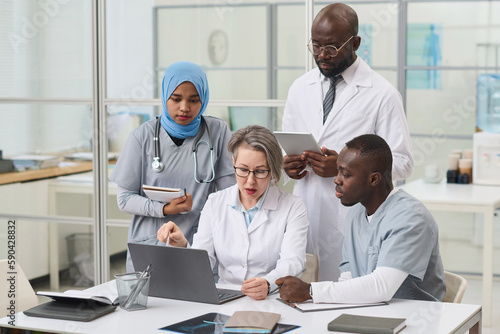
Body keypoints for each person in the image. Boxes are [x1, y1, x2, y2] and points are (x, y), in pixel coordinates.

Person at [281, 3, 414, 281]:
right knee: (300, 298)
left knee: (345, 303)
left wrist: (342, 167)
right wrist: (288, 165)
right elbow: (286, 147)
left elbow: (402, 163)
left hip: (351, 221)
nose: (321, 56)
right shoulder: (299, 88)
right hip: (302, 215)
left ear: (355, 43)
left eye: (331, 48)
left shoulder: (382, 94)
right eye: (315, 46)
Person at [276, 134, 445, 304]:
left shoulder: (411, 218)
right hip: (370, 314)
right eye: (338, 170)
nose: (336, 180)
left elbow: (382, 287)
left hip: (414, 320)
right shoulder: (356, 213)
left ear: (373, 179)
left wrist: (311, 291)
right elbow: (349, 277)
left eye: (346, 174)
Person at [157, 125, 309, 300]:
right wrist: (183, 246)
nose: (250, 181)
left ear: (273, 169)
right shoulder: (215, 202)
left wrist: (268, 283)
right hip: (225, 297)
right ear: (234, 162)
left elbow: (293, 261)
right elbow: (203, 263)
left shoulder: (293, 206)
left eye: (260, 171)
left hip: (272, 298)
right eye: (243, 170)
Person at [110, 61, 235, 272]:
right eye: (176, 99)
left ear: (203, 99)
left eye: (194, 100)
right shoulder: (142, 137)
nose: (185, 107)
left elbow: (229, 195)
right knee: (151, 302)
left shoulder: (218, 132)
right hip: (151, 244)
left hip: (198, 243)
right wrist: (165, 209)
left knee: (200, 302)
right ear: (165, 95)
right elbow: (124, 199)